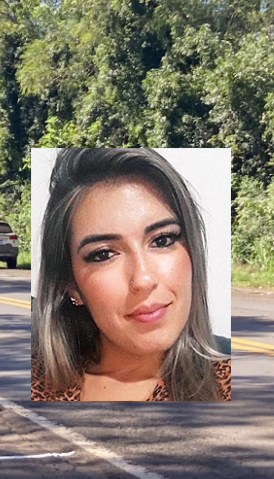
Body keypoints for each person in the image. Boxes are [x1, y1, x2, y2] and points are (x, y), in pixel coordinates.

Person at [31, 148, 230, 401]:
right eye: (103, 254)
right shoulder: (32, 378)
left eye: (162, 239)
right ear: (70, 284)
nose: (144, 279)